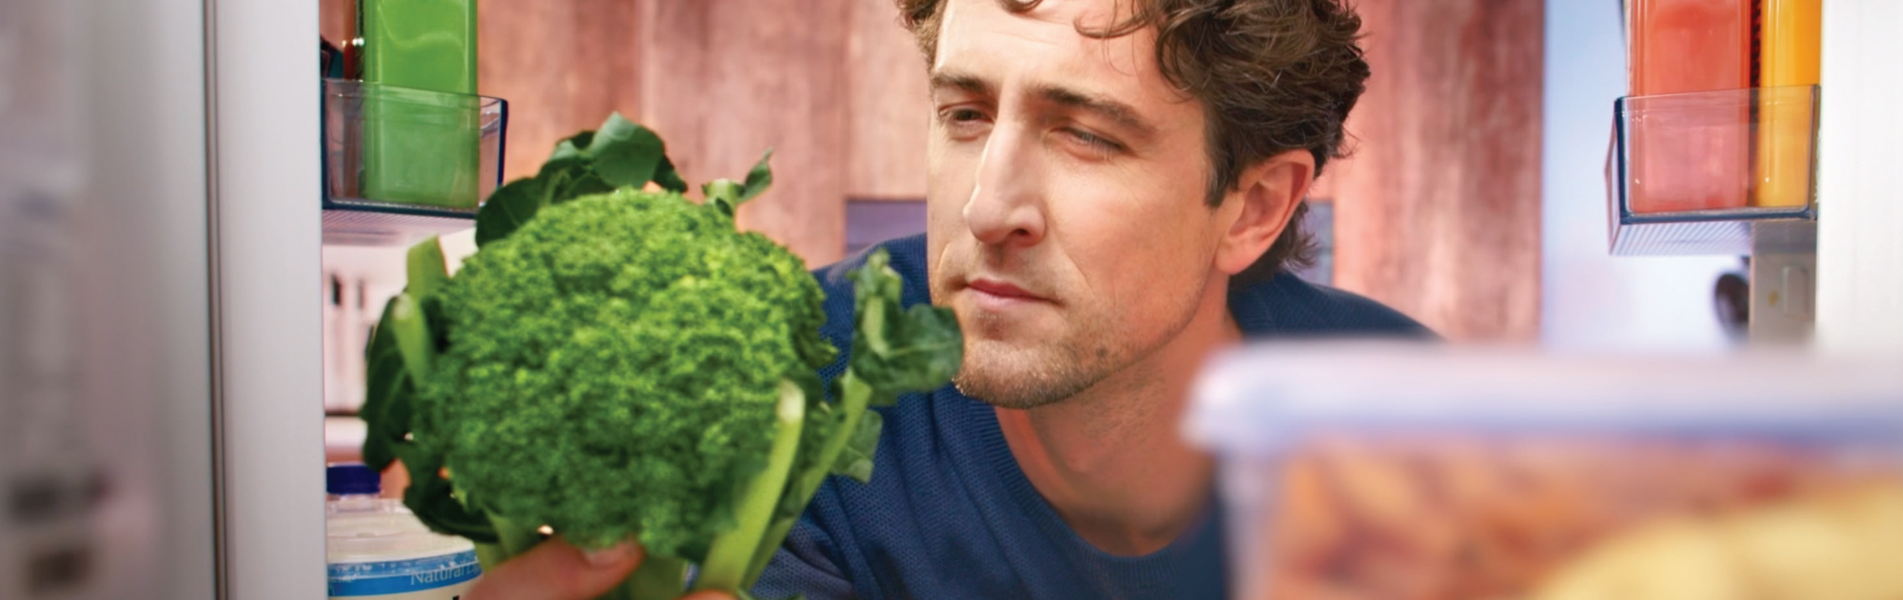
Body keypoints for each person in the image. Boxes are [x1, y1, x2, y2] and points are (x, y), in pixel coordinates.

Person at [469, 0, 1427, 598]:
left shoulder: (1420, 434)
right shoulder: (789, 384)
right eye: (963, 115)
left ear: (1252, 207)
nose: (987, 206)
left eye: (1087, 135)